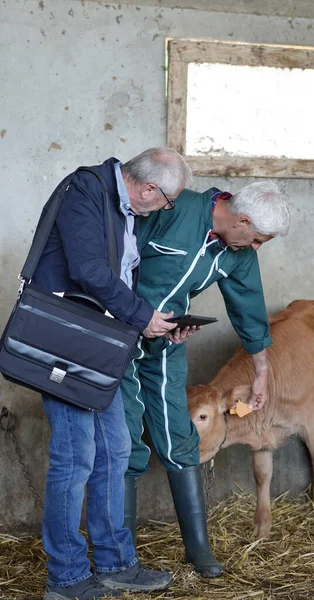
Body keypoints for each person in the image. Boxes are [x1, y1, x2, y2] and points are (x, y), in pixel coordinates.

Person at [31, 148, 192, 600]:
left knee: (115, 450)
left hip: (99, 346)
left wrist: (157, 322)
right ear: (148, 189)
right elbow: (87, 271)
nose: (164, 209)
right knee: (75, 456)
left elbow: (117, 279)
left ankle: (115, 563)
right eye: (167, 201)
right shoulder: (85, 190)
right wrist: (142, 316)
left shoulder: (119, 208)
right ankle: (65, 579)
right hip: (68, 343)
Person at [121, 180, 290, 578]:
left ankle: (197, 549)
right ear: (242, 220)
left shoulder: (239, 251)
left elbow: (249, 309)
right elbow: (116, 259)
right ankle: (122, 555)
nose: (258, 247)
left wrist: (262, 372)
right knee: (125, 437)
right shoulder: (174, 209)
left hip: (167, 342)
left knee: (178, 434)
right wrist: (131, 317)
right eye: (259, 238)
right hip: (119, 340)